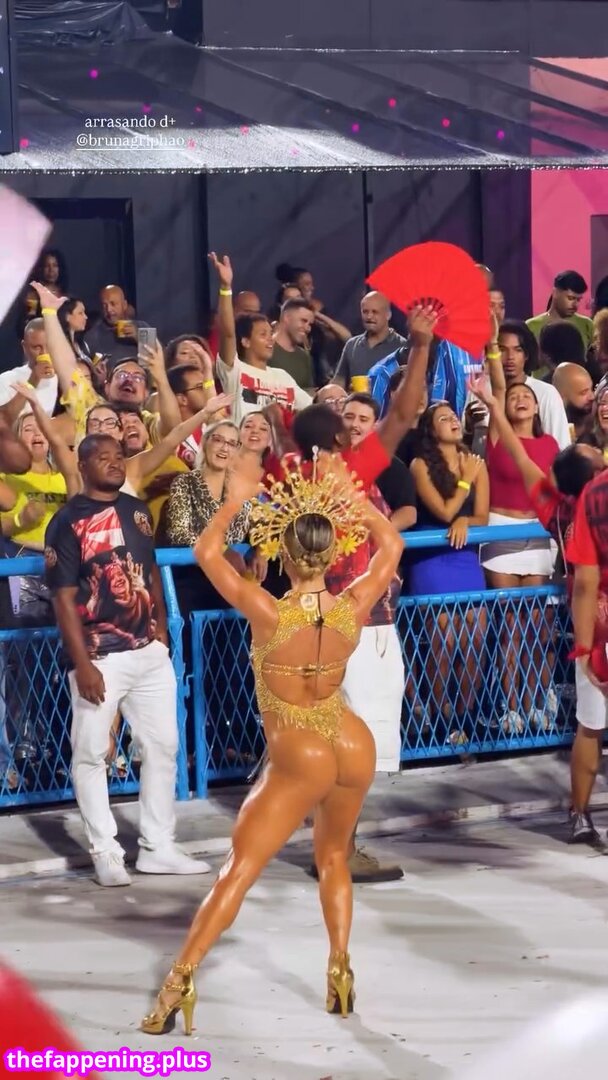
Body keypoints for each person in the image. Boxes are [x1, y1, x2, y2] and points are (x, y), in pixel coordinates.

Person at [139, 450, 404, 1035]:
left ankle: (177, 984)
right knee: (333, 857)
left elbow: (207, 553)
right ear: (333, 552)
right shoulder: (354, 605)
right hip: (350, 738)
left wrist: (235, 499)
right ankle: (339, 968)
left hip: (299, 745)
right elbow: (392, 546)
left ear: (283, 553)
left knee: (237, 870)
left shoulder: (267, 611)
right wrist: (352, 497)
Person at [44, 434, 208, 887]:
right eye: (103, 457)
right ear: (82, 465)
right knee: (91, 753)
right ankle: (105, 852)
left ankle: (158, 847)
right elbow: (62, 599)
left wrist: (160, 627)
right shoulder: (66, 522)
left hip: (147, 652)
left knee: (163, 747)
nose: (115, 463)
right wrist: (82, 663)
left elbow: (150, 569)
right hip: (100, 656)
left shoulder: (136, 510)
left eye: (119, 456)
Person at [469, 370, 606, 846]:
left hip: (587, 629)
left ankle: (580, 814)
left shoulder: (555, 506)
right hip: (595, 625)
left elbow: (524, 460)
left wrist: (493, 405)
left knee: (590, 725)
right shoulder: (599, 501)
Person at [481, 343, 561, 732]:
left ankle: (538, 703)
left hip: (538, 535)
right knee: (511, 626)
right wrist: (493, 347)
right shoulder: (497, 436)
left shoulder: (551, 445)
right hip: (501, 532)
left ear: (538, 406)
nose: (520, 399)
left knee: (538, 627)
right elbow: (498, 388)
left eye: (527, 395)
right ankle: (510, 707)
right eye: (514, 397)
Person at [211, 253, 312, 425]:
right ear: (245, 341)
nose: (270, 340)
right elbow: (228, 333)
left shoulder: (282, 377)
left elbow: (311, 408)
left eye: (270, 334)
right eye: (263, 334)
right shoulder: (235, 371)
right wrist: (225, 287)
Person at [568, 469, 608, 847]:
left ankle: (579, 814)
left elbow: (585, 580)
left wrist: (583, 648)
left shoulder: (595, 491)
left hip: (600, 620)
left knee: (591, 724)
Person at [498, 320, 570, 448]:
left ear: (526, 354)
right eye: (502, 350)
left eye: (518, 350)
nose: (510, 357)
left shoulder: (546, 393)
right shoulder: (480, 390)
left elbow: (561, 446)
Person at [335, 292, 408, 386]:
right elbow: (339, 380)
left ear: (388, 315)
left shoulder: (402, 347)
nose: (369, 317)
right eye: (365, 312)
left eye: (375, 312)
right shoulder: (351, 345)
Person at [0, 319, 57, 418]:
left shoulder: (65, 377)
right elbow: (3, 420)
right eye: (37, 347)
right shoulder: (7, 379)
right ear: (24, 347)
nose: (44, 353)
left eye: (49, 346)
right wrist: (32, 381)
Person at [526, 271, 594, 352]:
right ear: (555, 293)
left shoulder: (587, 325)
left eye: (578, 300)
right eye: (570, 298)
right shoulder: (531, 326)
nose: (575, 305)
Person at [84, 285, 148, 363]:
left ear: (124, 305)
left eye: (113, 304)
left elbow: (157, 359)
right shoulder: (91, 337)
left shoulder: (142, 327)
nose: (109, 309)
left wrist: (138, 337)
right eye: (104, 305)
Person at [269, 298, 316, 390]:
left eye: (310, 324)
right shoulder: (265, 349)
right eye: (303, 321)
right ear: (286, 317)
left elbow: (308, 392)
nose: (308, 328)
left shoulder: (305, 357)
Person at [552, 363, 594, 440]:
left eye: (591, 389)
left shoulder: (600, 426)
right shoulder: (550, 429)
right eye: (583, 393)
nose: (592, 397)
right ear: (561, 396)